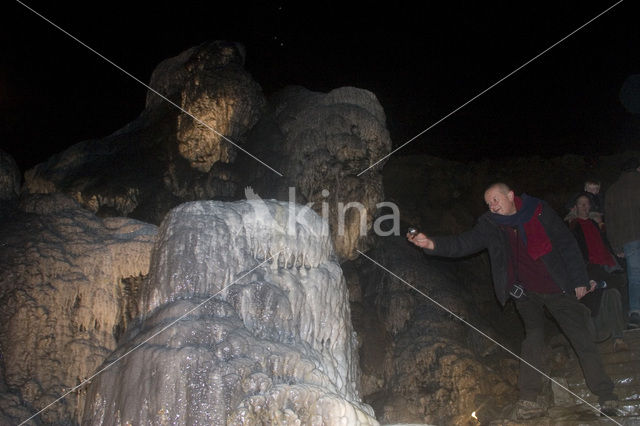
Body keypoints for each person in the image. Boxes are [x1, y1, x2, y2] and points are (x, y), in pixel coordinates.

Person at [407, 183, 618, 420]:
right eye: (488, 203)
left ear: (510, 196)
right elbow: (464, 243)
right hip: (526, 293)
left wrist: (579, 278)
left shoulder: (538, 210)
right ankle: (529, 399)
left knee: (580, 337)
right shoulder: (491, 224)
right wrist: (431, 244)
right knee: (532, 338)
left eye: (496, 200)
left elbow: (566, 243)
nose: (492, 206)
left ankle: (606, 394)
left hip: (557, 287)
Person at [567, 192, 628, 352]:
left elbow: (605, 241)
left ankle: (618, 338)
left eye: (587, 203)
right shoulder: (573, 226)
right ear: (575, 207)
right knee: (593, 299)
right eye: (581, 204)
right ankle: (595, 338)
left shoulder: (595, 224)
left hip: (605, 267)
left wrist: (616, 253)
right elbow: (573, 252)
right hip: (588, 269)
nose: (585, 206)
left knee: (613, 292)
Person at [604, 157, 640, 329]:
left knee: (635, 277)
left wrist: (616, 245)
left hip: (628, 240)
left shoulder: (613, 190)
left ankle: (635, 313)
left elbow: (610, 222)